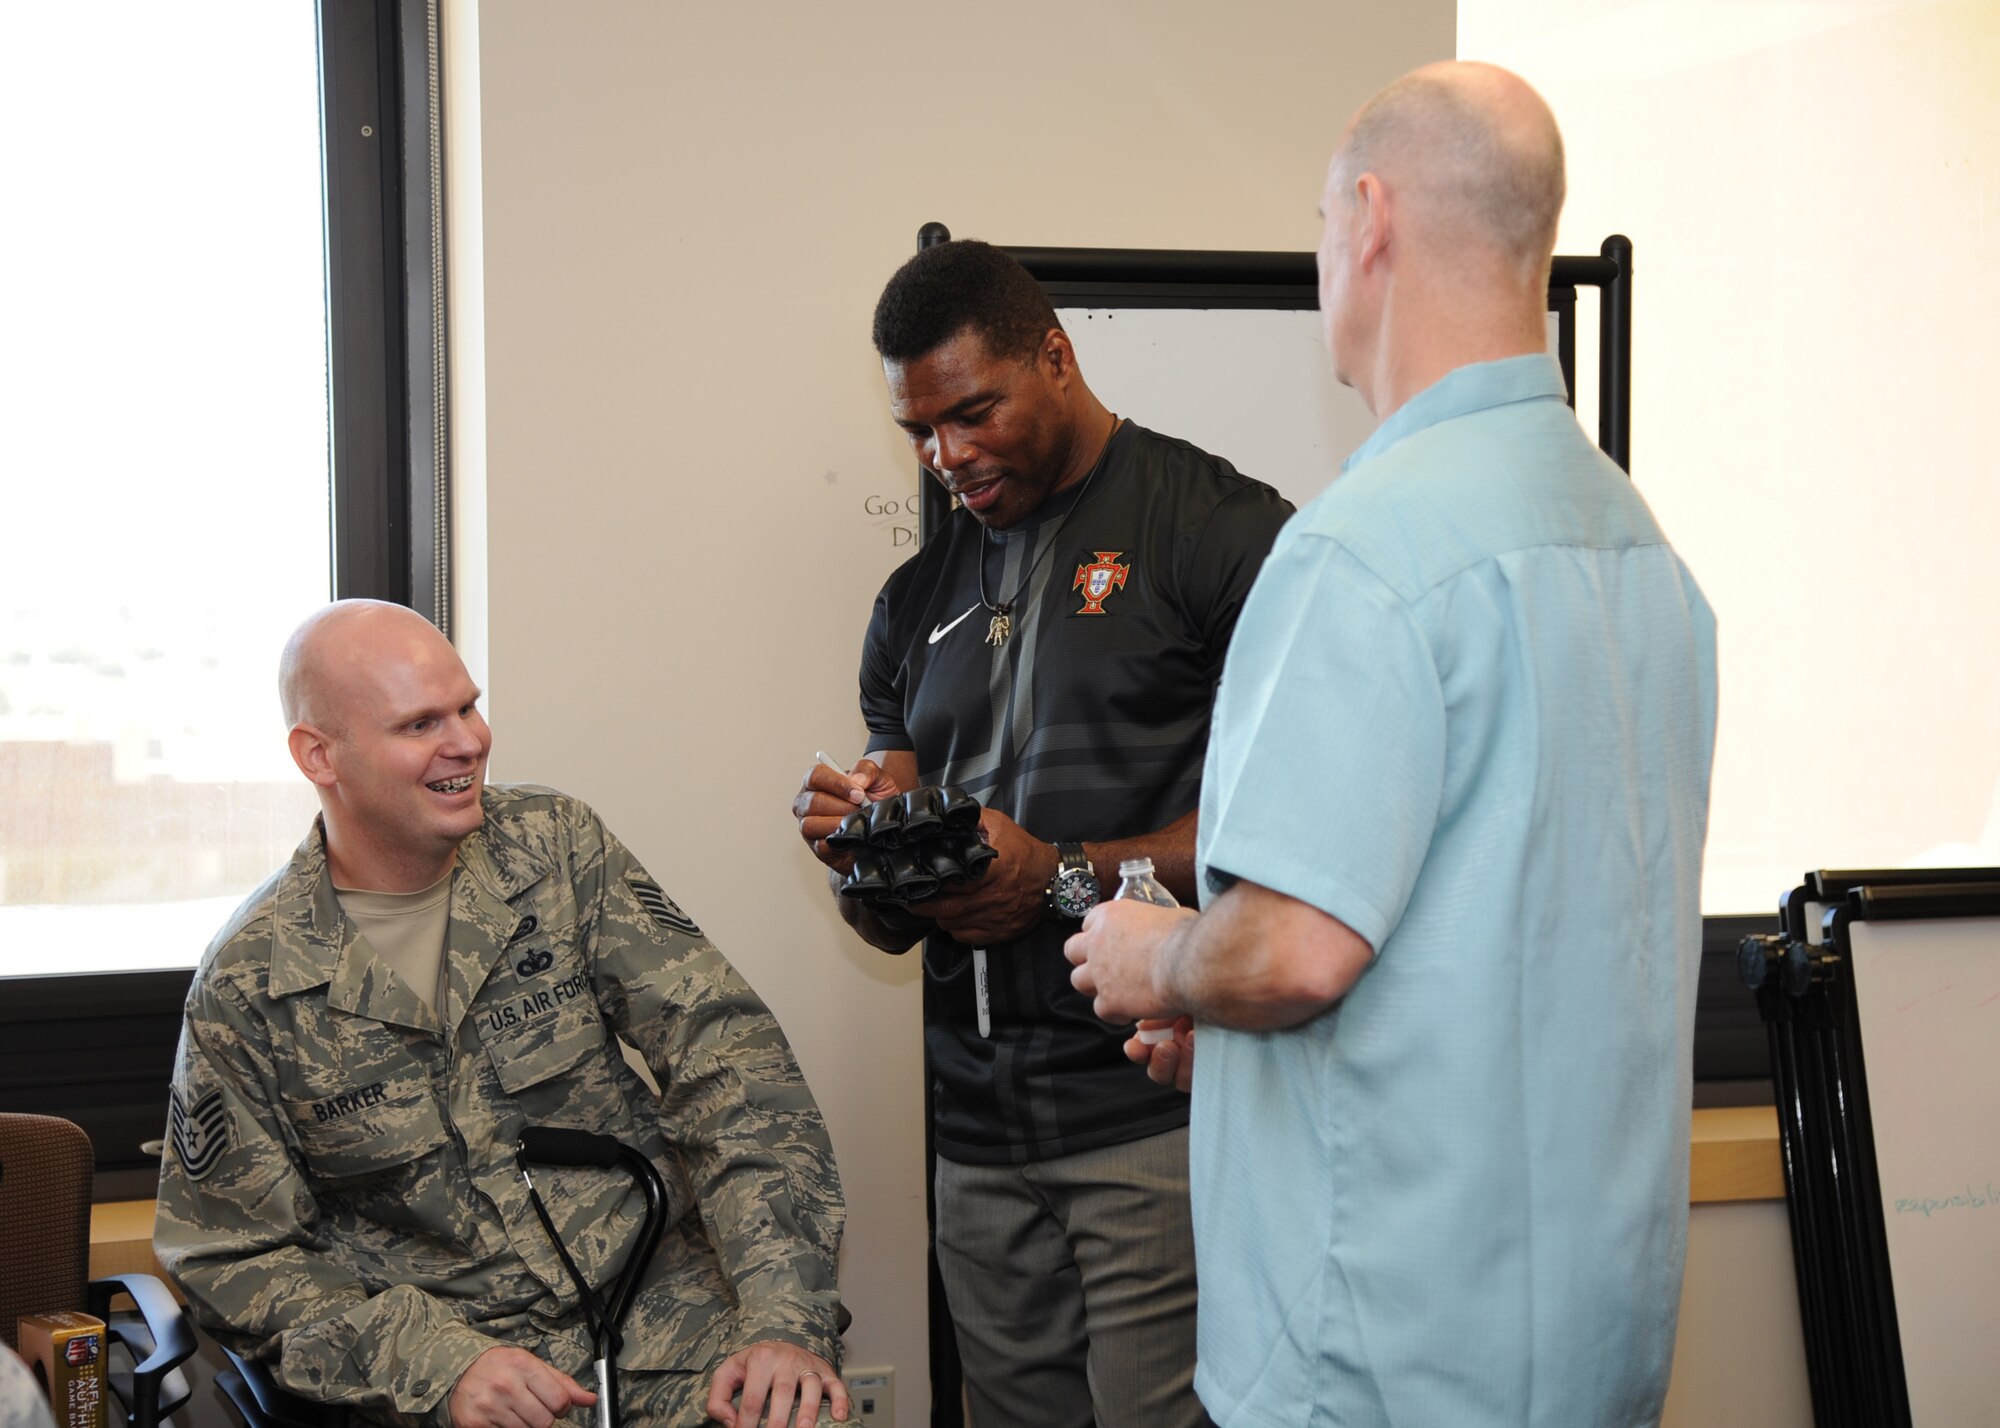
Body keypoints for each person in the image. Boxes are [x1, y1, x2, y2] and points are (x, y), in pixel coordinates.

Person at [1066, 62, 1719, 1428]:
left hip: (1380, 1359)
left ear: (1369, 219)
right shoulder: (1640, 552)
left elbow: (1301, 948)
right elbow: (1499, 958)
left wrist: (1160, 961)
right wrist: (1241, 1045)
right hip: (1588, 1344)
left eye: (1316, 224)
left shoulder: (1364, 554)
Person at [791, 239, 1290, 1428]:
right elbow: (893, 902)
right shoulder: (913, 601)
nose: (945, 456)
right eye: (920, 430)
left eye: (972, 413)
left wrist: (1060, 877)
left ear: (1054, 359)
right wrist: (866, 847)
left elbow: (1281, 835)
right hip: (971, 1138)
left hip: (1151, 1116)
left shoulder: (1220, 531)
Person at [156, 600, 850, 1428]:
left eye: (468, 706)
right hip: (457, 1377)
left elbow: (732, 1065)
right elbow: (235, 1256)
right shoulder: (250, 984)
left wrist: (782, 1321)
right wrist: (438, 1367)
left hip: (665, 1320)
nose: (469, 742)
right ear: (320, 755)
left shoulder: (554, 848)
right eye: (420, 724)